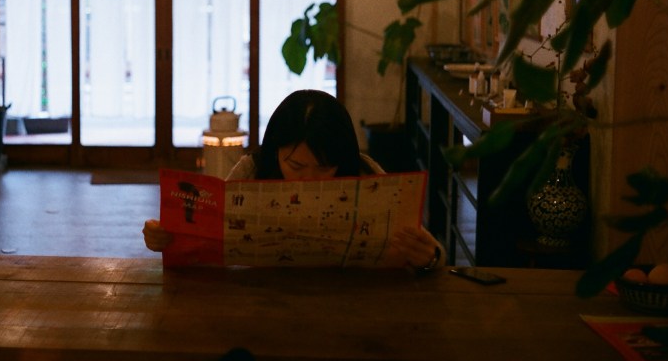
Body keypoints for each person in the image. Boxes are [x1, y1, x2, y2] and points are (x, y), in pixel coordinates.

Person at [143, 89, 443, 270]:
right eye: (295, 165)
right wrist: (165, 237)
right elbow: (210, 235)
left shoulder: (364, 171)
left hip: (349, 303)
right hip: (262, 302)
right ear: (275, 152)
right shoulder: (253, 169)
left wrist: (430, 257)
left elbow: (430, 251)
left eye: (324, 168)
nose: (308, 180)